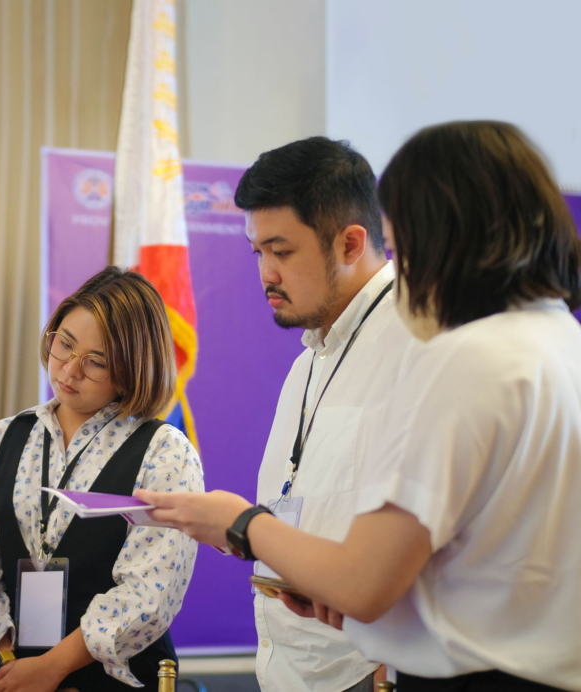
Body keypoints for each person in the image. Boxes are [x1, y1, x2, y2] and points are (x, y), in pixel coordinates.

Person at [138, 121, 581, 691]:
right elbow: (491, 556)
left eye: (401, 245)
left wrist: (238, 522)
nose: (403, 269)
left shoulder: (461, 353)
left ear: (448, 239)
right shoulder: (558, 339)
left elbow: (366, 583)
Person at [0, 267, 204, 691]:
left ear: (134, 369)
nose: (69, 369)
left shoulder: (165, 452)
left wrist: (52, 668)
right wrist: (7, 666)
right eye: (64, 343)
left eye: (96, 361)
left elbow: (149, 593)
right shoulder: (3, 438)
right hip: (16, 677)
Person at [231, 136, 415, 692]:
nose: (266, 273)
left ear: (351, 243)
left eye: (281, 252)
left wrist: (399, 663)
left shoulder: (417, 341)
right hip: (290, 670)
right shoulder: (308, 361)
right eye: (257, 252)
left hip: (372, 672)